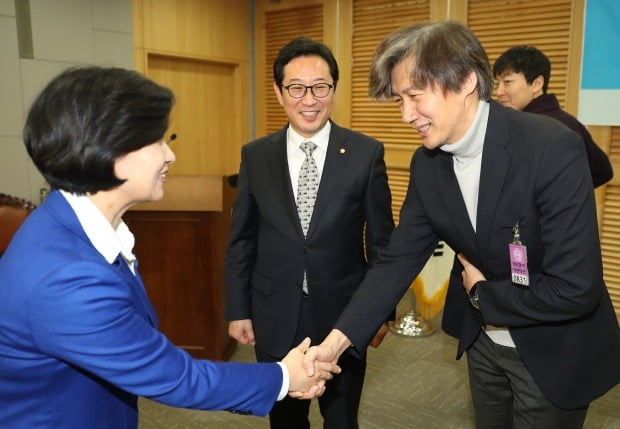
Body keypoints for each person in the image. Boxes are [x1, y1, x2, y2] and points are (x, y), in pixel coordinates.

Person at [303, 21, 620, 428]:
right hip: (484, 344)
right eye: (399, 100)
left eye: (415, 97)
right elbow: (396, 261)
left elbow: (576, 289)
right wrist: (334, 344)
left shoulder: (549, 147)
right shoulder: (428, 163)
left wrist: (484, 295)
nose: (405, 115)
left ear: (467, 80)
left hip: (553, 349)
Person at [0, 66, 340, 429]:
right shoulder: (67, 277)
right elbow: (177, 378)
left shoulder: (69, 226)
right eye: (156, 141)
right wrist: (284, 377)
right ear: (106, 147)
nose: (169, 155)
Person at [225, 37, 394, 429]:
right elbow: (242, 240)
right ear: (279, 91)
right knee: (285, 421)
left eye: (320, 87)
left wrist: (381, 312)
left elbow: (383, 242)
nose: (309, 99)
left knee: (341, 419)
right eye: (296, 88)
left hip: (344, 314)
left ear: (333, 89)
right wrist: (238, 309)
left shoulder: (366, 153)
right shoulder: (256, 155)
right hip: (274, 313)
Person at [493, 45, 613, 188]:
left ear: (537, 84)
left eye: (507, 82)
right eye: (496, 84)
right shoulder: (510, 122)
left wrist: (561, 198)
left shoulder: (562, 125)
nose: (499, 91)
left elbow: (602, 171)